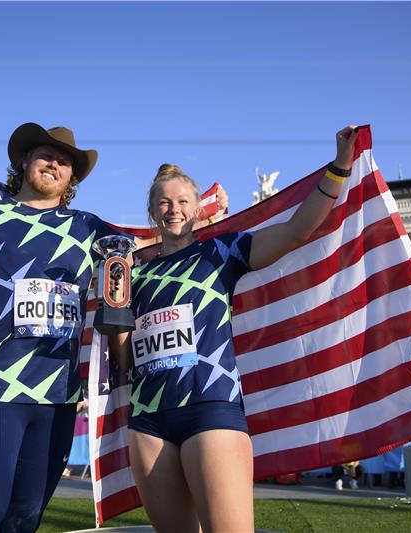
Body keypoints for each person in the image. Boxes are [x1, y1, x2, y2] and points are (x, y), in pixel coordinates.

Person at [0, 123, 223, 532]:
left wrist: (206, 214)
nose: (54, 163)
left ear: (73, 178)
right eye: (45, 155)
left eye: (65, 161)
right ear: (23, 162)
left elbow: (157, 251)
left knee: (24, 523)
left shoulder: (91, 230)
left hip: (57, 400)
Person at [109, 126, 359, 531]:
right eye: (164, 203)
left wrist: (340, 166)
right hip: (148, 421)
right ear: (152, 212)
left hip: (210, 410)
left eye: (182, 201)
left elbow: (296, 231)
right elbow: (124, 356)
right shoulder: (135, 273)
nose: (173, 209)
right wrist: (113, 309)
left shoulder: (220, 251)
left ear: (196, 209)